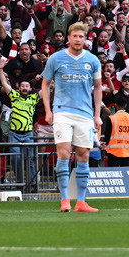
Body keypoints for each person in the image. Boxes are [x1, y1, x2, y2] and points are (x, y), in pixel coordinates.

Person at [41, 22, 103, 213]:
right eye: (75, 36)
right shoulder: (56, 58)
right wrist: (48, 111)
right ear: (68, 38)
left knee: (84, 154)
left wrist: (97, 115)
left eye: (81, 37)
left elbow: (98, 86)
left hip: (84, 114)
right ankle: (65, 200)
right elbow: (45, 84)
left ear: (86, 39)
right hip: (62, 112)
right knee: (64, 153)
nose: (78, 40)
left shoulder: (93, 60)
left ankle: (81, 202)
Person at [1, 69, 41, 192]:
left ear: (30, 89)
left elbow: (45, 89)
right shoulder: (14, 96)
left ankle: (33, 184)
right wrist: (1, 69)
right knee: (16, 159)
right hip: (14, 134)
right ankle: (20, 184)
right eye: (22, 86)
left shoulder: (34, 98)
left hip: (28, 134)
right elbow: (4, 84)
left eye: (27, 86)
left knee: (31, 160)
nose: (24, 88)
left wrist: (49, 74)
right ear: (19, 88)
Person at [101, 95, 129, 167]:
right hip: (127, 150)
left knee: (114, 174)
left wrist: (106, 143)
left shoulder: (112, 118)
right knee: (125, 174)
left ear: (115, 105)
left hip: (113, 151)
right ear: (125, 105)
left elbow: (108, 133)